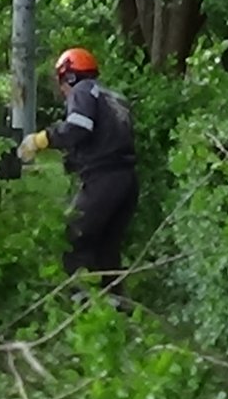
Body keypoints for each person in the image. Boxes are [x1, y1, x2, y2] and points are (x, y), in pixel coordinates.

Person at [18, 47, 139, 297]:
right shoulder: (112, 98)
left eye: (62, 82)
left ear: (69, 77)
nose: (62, 90)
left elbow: (79, 127)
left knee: (74, 237)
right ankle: (115, 306)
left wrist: (42, 139)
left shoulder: (83, 90)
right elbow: (104, 140)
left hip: (103, 179)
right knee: (107, 248)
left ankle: (80, 303)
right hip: (126, 180)